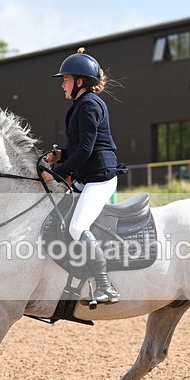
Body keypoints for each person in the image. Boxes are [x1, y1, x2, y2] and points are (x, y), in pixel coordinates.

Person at [41, 48, 125, 304]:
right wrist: (62, 155)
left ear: (80, 82)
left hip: (99, 178)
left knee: (78, 226)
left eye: (65, 80)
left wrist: (56, 174)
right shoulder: (82, 104)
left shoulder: (89, 105)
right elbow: (81, 148)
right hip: (88, 175)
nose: (62, 85)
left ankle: (105, 286)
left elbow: (87, 150)